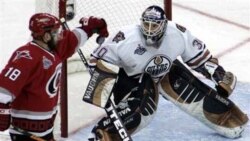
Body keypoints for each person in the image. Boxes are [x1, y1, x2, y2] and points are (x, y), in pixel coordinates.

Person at [86, 5, 248, 140]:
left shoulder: (178, 34)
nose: (149, 30)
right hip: (130, 80)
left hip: (164, 73)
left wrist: (218, 76)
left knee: (188, 83)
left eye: (154, 25)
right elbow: (96, 61)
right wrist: (103, 84)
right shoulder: (124, 38)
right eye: (146, 24)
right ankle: (103, 132)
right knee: (140, 112)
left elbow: (201, 59)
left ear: (164, 25)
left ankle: (226, 116)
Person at [0, 13, 108, 141]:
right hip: (25, 132)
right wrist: (2, 113)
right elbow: (4, 88)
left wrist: (89, 27)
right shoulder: (26, 56)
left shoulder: (54, 49)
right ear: (46, 36)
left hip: (46, 129)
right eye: (56, 33)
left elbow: (72, 39)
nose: (60, 35)